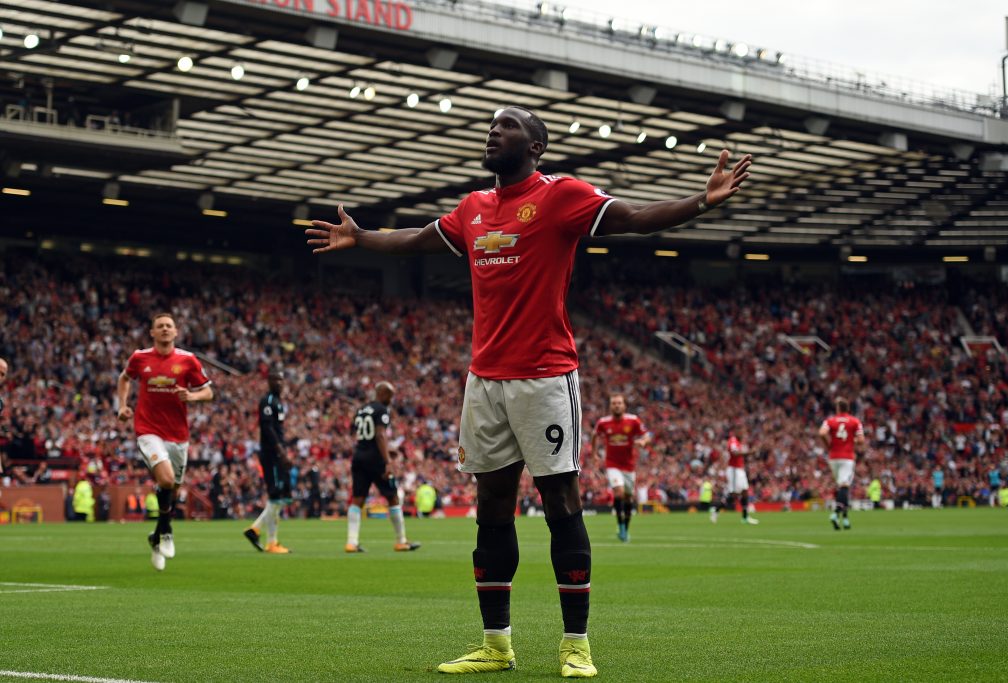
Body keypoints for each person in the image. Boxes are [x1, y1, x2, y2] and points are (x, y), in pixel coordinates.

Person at [305, 105, 752, 678]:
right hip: (484, 380)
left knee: (560, 501)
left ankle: (576, 645)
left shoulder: (560, 195)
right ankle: (496, 645)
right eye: (492, 125)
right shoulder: (473, 207)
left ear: (536, 145)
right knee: (491, 507)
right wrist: (362, 237)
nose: (494, 131)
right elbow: (417, 239)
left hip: (545, 377)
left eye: (508, 125)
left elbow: (636, 217)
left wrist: (701, 202)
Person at [117, 312, 213, 571]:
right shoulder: (140, 358)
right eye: (160, 326)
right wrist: (122, 406)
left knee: (173, 489)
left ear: (176, 331)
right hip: (148, 430)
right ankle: (167, 530)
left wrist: (192, 397)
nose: (165, 329)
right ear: (152, 332)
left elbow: (208, 391)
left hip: (178, 435)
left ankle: (157, 535)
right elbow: (124, 379)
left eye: (169, 326)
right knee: (167, 480)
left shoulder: (187, 360)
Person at [345, 381, 420, 554]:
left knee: (358, 499)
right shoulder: (381, 410)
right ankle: (401, 541)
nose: (391, 400)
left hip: (359, 456)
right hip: (375, 459)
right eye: (390, 396)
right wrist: (387, 461)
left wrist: (386, 448)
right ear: (383, 393)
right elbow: (379, 434)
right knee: (393, 497)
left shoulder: (361, 409)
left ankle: (351, 542)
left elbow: (362, 435)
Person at [244, 370, 292, 554]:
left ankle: (260, 534)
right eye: (275, 379)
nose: (279, 383)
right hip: (272, 454)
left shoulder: (278, 402)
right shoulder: (268, 401)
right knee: (276, 495)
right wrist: (281, 451)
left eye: (281, 379)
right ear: (269, 381)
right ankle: (268, 539)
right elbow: (267, 428)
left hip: (277, 453)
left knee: (280, 497)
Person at [591, 394, 650, 542]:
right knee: (619, 492)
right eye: (614, 403)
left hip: (629, 465)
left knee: (628, 497)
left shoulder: (633, 420)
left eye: (619, 403)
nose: (616, 405)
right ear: (610, 406)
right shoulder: (603, 422)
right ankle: (620, 525)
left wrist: (643, 441)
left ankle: (625, 527)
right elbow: (594, 435)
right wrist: (594, 454)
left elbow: (647, 434)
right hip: (612, 464)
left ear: (624, 406)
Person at [819, 397, 865, 530]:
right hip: (847, 457)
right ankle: (835, 513)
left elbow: (822, 433)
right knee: (844, 486)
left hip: (833, 457)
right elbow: (861, 440)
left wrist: (828, 445)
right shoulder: (855, 421)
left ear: (838, 408)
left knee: (841, 487)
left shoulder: (830, 420)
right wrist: (851, 440)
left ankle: (845, 519)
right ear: (848, 408)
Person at [712, 428, 759, 525]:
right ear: (737, 432)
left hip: (740, 469)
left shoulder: (739, 442)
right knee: (733, 495)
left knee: (745, 491)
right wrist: (750, 452)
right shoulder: (733, 441)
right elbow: (734, 453)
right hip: (734, 470)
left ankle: (745, 517)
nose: (743, 434)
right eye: (741, 432)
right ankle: (716, 510)